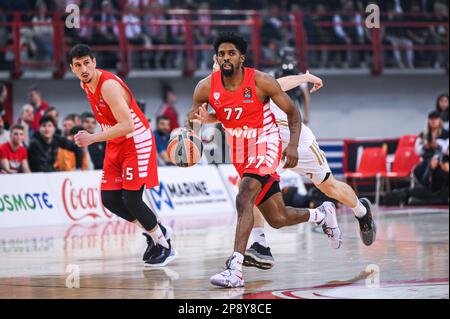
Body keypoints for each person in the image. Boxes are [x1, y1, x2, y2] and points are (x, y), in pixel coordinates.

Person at [189, 32, 341, 288]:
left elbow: (293, 113)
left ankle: (235, 268)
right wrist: (195, 128)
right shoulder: (205, 87)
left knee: (244, 194)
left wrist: (291, 145)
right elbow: (196, 115)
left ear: (241, 58)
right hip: (239, 149)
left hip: (266, 141)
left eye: (230, 54)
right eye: (220, 55)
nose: (225, 59)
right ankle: (322, 214)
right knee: (278, 218)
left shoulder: (259, 80)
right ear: (215, 59)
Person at [200, 56, 377, 270]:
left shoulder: (254, 84)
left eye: (217, 67)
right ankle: (260, 244)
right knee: (249, 186)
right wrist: (211, 119)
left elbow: (282, 83)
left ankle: (361, 211)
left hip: (297, 142)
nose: (214, 72)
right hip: (268, 149)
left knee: (329, 187)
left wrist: (306, 77)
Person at [69, 44, 175, 266]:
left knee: (132, 199)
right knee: (110, 200)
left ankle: (164, 245)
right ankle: (153, 230)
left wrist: (91, 138)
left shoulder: (107, 86)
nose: (83, 68)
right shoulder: (84, 84)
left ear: (94, 62)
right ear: (73, 69)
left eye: (87, 63)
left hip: (135, 140)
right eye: (78, 65)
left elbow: (127, 125)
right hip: (115, 141)